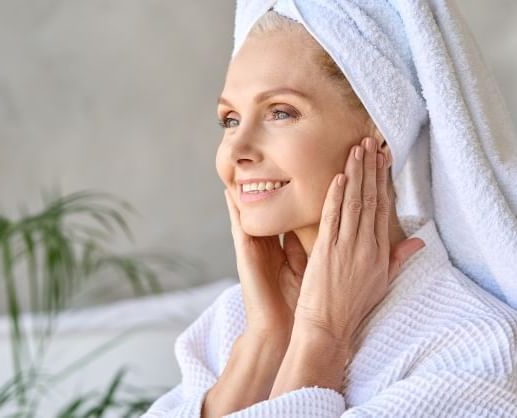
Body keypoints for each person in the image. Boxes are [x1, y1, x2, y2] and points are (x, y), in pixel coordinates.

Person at [142, 1, 517, 417]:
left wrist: (320, 339)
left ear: (381, 130)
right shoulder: (232, 321)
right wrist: (266, 339)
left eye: (279, 112)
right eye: (229, 119)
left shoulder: (476, 350)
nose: (237, 150)